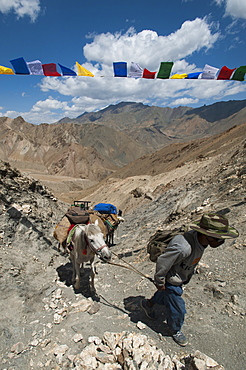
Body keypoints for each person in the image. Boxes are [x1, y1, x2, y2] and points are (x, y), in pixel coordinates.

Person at [140, 213, 239, 346]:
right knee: (178, 307)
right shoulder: (183, 247)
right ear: (207, 235)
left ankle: (148, 304)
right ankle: (175, 329)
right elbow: (163, 261)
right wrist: (159, 281)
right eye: (219, 239)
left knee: (166, 295)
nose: (221, 242)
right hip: (172, 279)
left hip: (181, 277)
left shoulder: (201, 242)